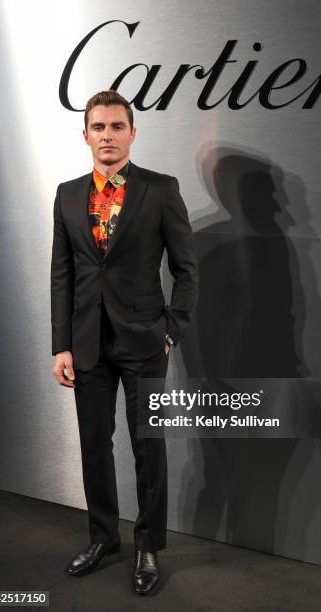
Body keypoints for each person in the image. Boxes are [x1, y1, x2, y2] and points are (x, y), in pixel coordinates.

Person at [50, 90, 198, 594]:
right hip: (86, 343)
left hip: (143, 342)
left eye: (117, 126)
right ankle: (102, 538)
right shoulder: (68, 194)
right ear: (86, 134)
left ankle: (148, 545)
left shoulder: (160, 189)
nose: (107, 135)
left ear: (133, 133)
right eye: (99, 127)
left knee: (148, 447)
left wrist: (171, 328)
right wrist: (60, 345)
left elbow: (186, 269)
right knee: (94, 446)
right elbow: (62, 274)